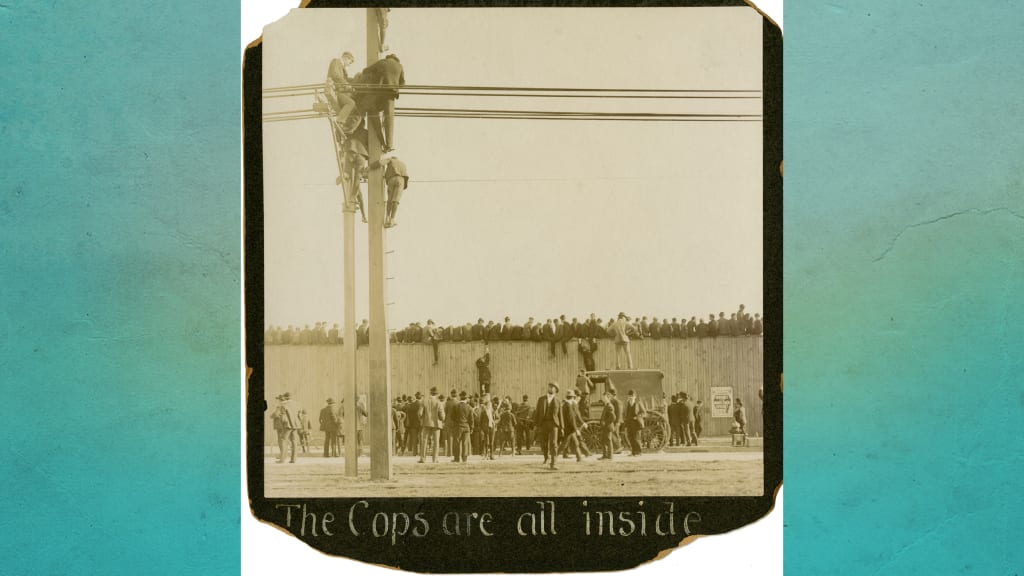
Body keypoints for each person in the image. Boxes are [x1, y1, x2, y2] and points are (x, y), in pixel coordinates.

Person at [354, 54, 404, 152]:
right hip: (391, 95)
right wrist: (395, 84)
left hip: (379, 94)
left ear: (388, 58)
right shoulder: (399, 66)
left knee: (373, 114)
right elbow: (402, 83)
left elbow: (366, 70)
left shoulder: (382, 62)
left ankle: (381, 140)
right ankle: (389, 144)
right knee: (389, 117)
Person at [325, 51, 356, 136]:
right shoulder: (336, 61)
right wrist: (347, 85)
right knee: (350, 103)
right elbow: (335, 75)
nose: (349, 65)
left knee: (355, 107)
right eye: (349, 62)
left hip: (340, 90)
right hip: (336, 91)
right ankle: (340, 122)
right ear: (346, 58)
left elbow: (343, 78)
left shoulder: (342, 68)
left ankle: (345, 128)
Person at [534, 382, 564, 470]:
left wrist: (562, 427)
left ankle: (554, 463)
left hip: (554, 424)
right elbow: (537, 413)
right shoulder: (541, 399)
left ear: (556, 390)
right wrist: (535, 425)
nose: (550, 388)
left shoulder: (558, 401)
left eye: (552, 387)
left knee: (554, 443)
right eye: (549, 387)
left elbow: (560, 415)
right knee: (543, 442)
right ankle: (546, 457)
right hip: (543, 424)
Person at [558, 389, 590, 461]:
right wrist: (576, 429)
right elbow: (571, 420)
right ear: (572, 397)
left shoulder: (568, 404)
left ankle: (579, 458)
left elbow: (575, 417)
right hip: (569, 429)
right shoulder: (568, 406)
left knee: (576, 443)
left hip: (570, 428)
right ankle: (555, 456)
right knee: (564, 444)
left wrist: (580, 425)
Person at [419, 386, 445, 463]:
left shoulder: (424, 401)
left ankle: (423, 459)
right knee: (436, 442)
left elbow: (420, 413)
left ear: (430, 393)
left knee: (424, 441)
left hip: (426, 423)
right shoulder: (439, 402)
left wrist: (422, 419)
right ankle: (435, 459)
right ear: (436, 394)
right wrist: (442, 419)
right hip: (436, 424)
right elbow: (442, 416)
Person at [382, 155, 409, 228]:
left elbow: (381, 163)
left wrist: (370, 167)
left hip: (391, 179)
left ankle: (387, 218)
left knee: (389, 200)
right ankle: (392, 219)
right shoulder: (402, 163)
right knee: (396, 201)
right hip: (400, 180)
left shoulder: (390, 160)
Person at [271, 393, 297, 463]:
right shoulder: (295, 405)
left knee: (283, 440)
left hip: (287, 426)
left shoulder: (282, 406)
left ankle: (282, 459)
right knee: (294, 441)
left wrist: (272, 415)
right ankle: (293, 459)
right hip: (294, 425)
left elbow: (276, 414)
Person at [451, 391, 474, 463]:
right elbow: (471, 419)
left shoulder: (455, 406)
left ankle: (457, 458)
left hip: (458, 426)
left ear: (460, 397)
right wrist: (472, 427)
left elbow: (452, 417)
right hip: (466, 426)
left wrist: (457, 421)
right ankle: (464, 458)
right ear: (466, 398)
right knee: (465, 443)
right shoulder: (469, 407)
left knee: (456, 442)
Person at [623, 390, 646, 457]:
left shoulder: (638, 403)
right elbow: (625, 413)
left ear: (635, 397)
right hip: (629, 423)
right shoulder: (627, 404)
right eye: (629, 396)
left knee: (636, 438)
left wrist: (637, 416)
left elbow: (644, 413)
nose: (630, 397)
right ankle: (633, 452)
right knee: (631, 438)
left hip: (637, 423)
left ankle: (639, 452)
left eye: (632, 396)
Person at [598, 390, 617, 460]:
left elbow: (613, 417)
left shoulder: (609, 406)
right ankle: (605, 455)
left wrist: (605, 423)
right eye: (603, 398)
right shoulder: (606, 405)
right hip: (605, 427)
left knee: (608, 441)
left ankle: (610, 456)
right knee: (603, 441)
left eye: (604, 398)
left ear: (608, 398)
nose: (603, 399)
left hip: (608, 427)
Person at [477, 393, 496, 460]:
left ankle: (491, 454)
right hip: (485, 427)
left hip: (491, 426)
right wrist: (481, 428)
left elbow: (497, 417)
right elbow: (480, 419)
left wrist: (495, 422)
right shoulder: (483, 410)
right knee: (486, 441)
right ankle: (486, 454)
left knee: (491, 441)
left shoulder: (492, 409)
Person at [404, 392, 422, 457]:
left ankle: (414, 453)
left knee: (414, 439)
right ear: (421, 397)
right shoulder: (422, 404)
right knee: (421, 438)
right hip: (421, 424)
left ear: (416, 397)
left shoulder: (411, 405)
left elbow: (408, 415)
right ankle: (421, 453)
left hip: (413, 424)